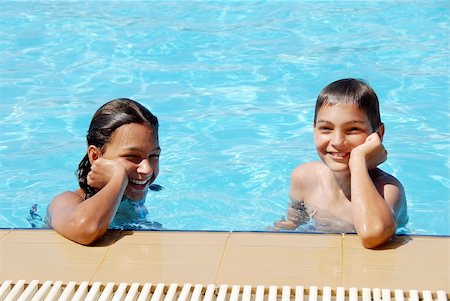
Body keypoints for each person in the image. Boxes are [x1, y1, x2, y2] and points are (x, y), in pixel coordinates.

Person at [274, 78, 408, 249]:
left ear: (378, 135)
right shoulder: (304, 178)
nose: (337, 141)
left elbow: (372, 236)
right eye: (326, 129)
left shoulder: (388, 190)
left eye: (353, 129)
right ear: (314, 129)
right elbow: (293, 223)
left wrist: (358, 160)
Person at [46, 98, 161, 245]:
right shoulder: (67, 201)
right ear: (95, 156)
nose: (147, 169)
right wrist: (118, 177)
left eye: (154, 156)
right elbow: (85, 230)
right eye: (131, 156)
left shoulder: (141, 189)